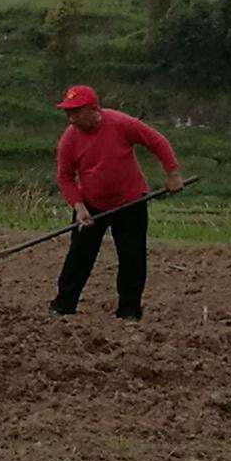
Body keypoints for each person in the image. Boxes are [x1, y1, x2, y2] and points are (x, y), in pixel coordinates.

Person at [49, 85, 182, 322]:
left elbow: (156, 141)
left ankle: (129, 310)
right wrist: (78, 207)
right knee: (79, 256)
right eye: (68, 113)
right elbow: (65, 177)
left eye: (77, 112)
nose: (71, 118)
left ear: (93, 109)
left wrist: (172, 174)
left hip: (129, 202)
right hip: (91, 205)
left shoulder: (121, 123)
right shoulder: (69, 139)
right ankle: (63, 304)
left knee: (132, 257)